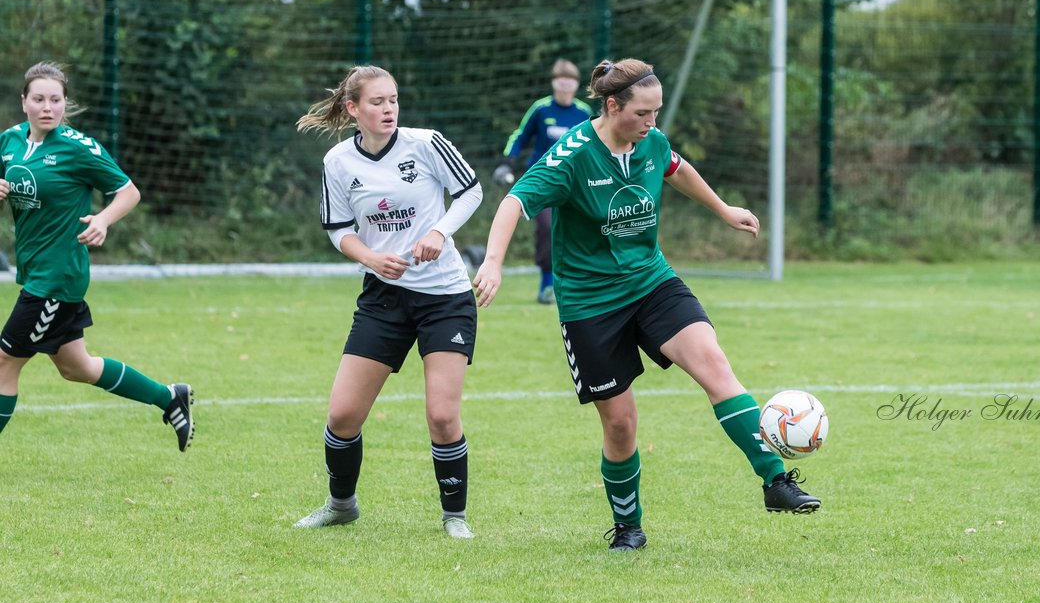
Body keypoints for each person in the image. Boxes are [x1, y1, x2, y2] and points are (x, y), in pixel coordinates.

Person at [473, 58, 820, 552]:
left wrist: (723, 210)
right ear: (612, 106)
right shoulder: (571, 156)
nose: (652, 123)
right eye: (642, 113)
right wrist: (493, 262)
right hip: (591, 303)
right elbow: (515, 202)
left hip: (652, 281)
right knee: (620, 424)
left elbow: (676, 167)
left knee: (714, 364)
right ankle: (628, 525)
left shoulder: (650, 142)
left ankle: (775, 481)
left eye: (656, 112)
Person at [293, 65, 483, 539]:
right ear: (353, 109)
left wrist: (440, 231)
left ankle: (454, 517)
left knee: (442, 415)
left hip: (445, 297)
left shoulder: (426, 143)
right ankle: (341, 506)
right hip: (384, 297)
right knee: (342, 415)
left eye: (393, 100)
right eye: (377, 102)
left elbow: (471, 191)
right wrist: (372, 259)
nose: (388, 110)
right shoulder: (338, 162)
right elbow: (338, 230)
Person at [0, 61, 193, 450]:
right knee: (77, 367)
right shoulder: (10, 141)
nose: (47, 107)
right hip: (35, 270)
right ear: (24, 102)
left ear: (65, 103)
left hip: (57, 277)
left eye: (55, 99)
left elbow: (129, 192)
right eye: (38, 99)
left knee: (4, 363)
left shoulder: (77, 147)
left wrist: (103, 220)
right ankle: (169, 396)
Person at [493, 58, 592, 304]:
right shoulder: (541, 109)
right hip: (544, 182)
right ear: (554, 83)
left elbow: (595, 146)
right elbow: (520, 136)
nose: (565, 85)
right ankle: (547, 285)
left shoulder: (583, 113)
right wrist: (508, 162)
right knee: (548, 229)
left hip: (576, 182)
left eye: (570, 80)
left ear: (576, 84)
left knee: (581, 230)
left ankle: (577, 285)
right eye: (561, 80)